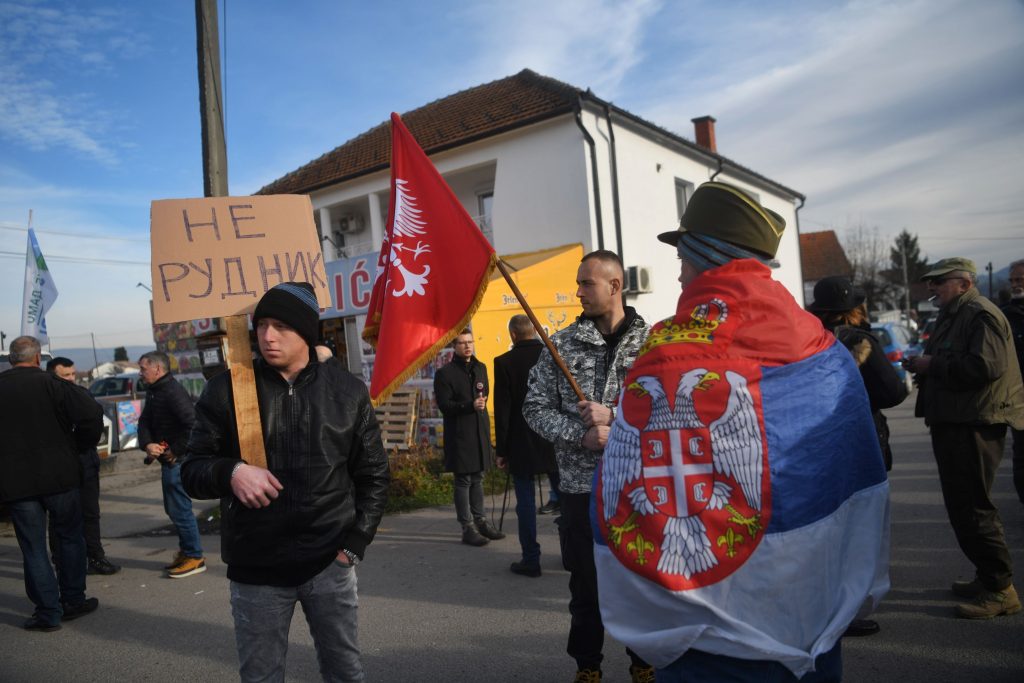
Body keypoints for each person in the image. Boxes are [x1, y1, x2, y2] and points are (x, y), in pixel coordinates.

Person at [593, 182, 890, 682]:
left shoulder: (665, 350)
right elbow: (853, 471)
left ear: (707, 257)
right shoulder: (822, 348)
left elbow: (630, 477)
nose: (679, 272)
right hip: (806, 601)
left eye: (684, 258)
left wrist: (614, 429)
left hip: (705, 625)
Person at [181, 281, 390, 682]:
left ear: (307, 332)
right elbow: (192, 470)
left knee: (345, 672)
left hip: (329, 562)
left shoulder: (347, 392)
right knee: (261, 676)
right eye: (261, 325)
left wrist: (355, 543)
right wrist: (231, 472)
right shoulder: (227, 390)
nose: (267, 336)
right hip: (256, 567)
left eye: (281, 326)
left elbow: (374, 474)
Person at [523, 250, 652, 683]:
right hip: (581, 489)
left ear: (614, 286)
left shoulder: (652, 344)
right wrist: (579, 436)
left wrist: (615, 417)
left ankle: (644, 661)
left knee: (640, 581)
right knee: (585, 585)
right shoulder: (560, 345)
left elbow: (672, 409)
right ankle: (588, 666)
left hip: (638, 488)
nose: (578, 292)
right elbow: (534, 408)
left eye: (586, 283)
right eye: (578, 283)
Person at [904, 257, 1024, 618]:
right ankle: (988, 577)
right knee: (963, 505)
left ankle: (1000, 590)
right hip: (956, 420)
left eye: (939, 281)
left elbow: (986, 366)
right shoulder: (955, 313)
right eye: (931, 282)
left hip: (973, 423)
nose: (932, 287)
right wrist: (927, 367)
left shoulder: (980, 314)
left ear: (964, 284)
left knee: (973, 506)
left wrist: (932, 366)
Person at [808, 276, 908, 638]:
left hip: (814, 446)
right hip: (858, 442)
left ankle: (819, 604)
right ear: (855, 309)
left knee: (824, 529)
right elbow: (893, 392)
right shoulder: (859, 341)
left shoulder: (805, 340)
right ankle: (843, 612)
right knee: (855, 532)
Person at [0, 336, 103, 631]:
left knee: (33, 547)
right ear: (37, 358)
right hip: (60, 476)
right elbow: (92, 413)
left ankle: (47, 611)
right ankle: (73, 600)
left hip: (16, 482)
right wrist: (80, 445)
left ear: (11, 359)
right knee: (70, 537)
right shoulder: (54, 384)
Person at [494, 314, 559, 577]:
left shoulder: (504, 362)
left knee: (526, 504)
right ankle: (573, 553)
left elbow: (503, 410)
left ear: (513, 334)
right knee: (567, 499)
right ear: (533, 330)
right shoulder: (552, 356)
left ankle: (531, 559)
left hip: (521, 442)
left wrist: (501, 450)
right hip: (554, 438)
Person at [46, 357, 121, 575]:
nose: (71, 379)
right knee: (60, 516)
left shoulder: (81, 395)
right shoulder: (47, 400)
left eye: (73, 374)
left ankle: (95, 556)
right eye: (65, 375)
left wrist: (82, 444)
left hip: (85, 460)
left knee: (90, 512)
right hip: (59, 464)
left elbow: (94, 422)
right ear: (53, 376)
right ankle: (62, 560)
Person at [434, 329, 506, 546]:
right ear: (454, 346)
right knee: (464, 480)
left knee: (478, 478)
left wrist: (480, 404)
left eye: (470, 342)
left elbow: (485, 393)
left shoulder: (480, 367)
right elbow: (445, 406)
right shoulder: (445, 373)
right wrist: (469, 405)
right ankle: (467, 527)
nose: (467, 346)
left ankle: (481, 521)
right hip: (460, 433)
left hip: (479, 430)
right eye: (462, 343)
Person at [137, 350, 205, 578]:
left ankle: (194, 556)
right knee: (174, 509)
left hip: (178, 461)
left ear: (157, 369)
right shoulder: (155, 390)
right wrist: (148, 444)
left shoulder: (172, 392)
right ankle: (188, 552)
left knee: (179, 510)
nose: (140, 373)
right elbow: (145, 421)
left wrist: (175, 451)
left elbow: (192, 424)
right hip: (169, 460)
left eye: (143, 369)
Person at [1001, 258, 1024, 504]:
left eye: (1020, 279)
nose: (1016, 285)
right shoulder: (1005, 315)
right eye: (1013, 280)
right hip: (1018, 399)